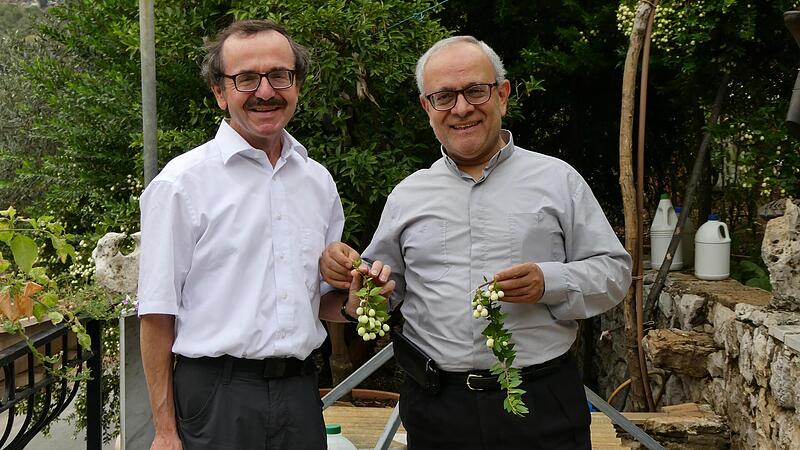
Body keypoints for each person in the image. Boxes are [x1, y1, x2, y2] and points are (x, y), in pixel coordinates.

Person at [321, 36, 632, 450]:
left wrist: (549, 281)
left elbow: (614, 272)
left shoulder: (559, 181)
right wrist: (364, 290)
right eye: (444, 96)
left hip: (540, 402)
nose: (462, 107)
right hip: (437, 408)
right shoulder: (408, 195)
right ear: (427, 108)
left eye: (475, 90)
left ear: (502, 94)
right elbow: (384, 290)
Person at [136, 19, 373, 450]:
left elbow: (320, 301)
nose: (266, 91)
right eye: (246, 78)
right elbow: (156, 314)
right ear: (219, 91)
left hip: (301, 394)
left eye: (279, 75)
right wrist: (165, 431)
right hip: (215, 399)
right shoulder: (181, 184)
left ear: (296, 84)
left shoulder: (317, 182)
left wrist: (358, 300)